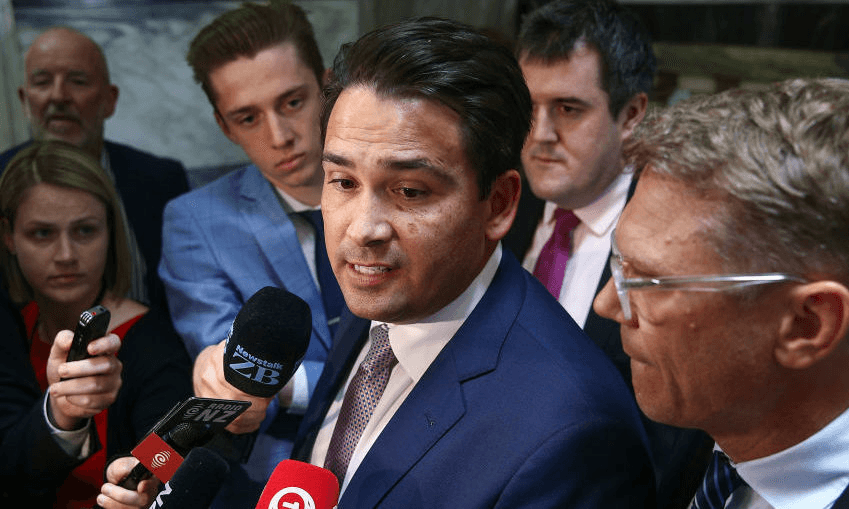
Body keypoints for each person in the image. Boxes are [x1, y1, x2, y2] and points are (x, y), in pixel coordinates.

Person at [289, 17, 655, 507]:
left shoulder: (573, 433)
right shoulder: (388, 292)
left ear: (500, 204)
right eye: (343, 182)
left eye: (410, 191)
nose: (362, 229)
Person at [593, 78, 849, 508]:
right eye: (620, 261)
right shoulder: (700, 423)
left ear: (807, 325)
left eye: (649, 282)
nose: (605, 304)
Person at [503, 1, 713, 505]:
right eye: (528, 108)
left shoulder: (678, 241)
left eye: (568, 109)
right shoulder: (501, 201)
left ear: (632, 114)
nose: (541, 134)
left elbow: (672, 445)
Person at [158, 1, 337, 505]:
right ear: (224, 125)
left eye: (293, 102)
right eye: (248, 116)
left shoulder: (403, 189)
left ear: (326, 88)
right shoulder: (196, 222)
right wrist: (233, 385)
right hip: (276, 479)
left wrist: (283, 384)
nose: (279, 135)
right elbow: (234, 377)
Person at [0, 141, 193, 508]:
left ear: (110, 232)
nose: (66, 255)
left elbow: (166, 457)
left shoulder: (151, 343)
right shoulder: (12, 327)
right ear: (8, 236)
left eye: (85, 231)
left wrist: (148, 485)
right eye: (42, 233)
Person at [0, 26, 190, 311]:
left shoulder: (162, 180)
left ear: (109, 100)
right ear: (25, 101)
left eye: (77, 81)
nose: (59, 96)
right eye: (42, 82)